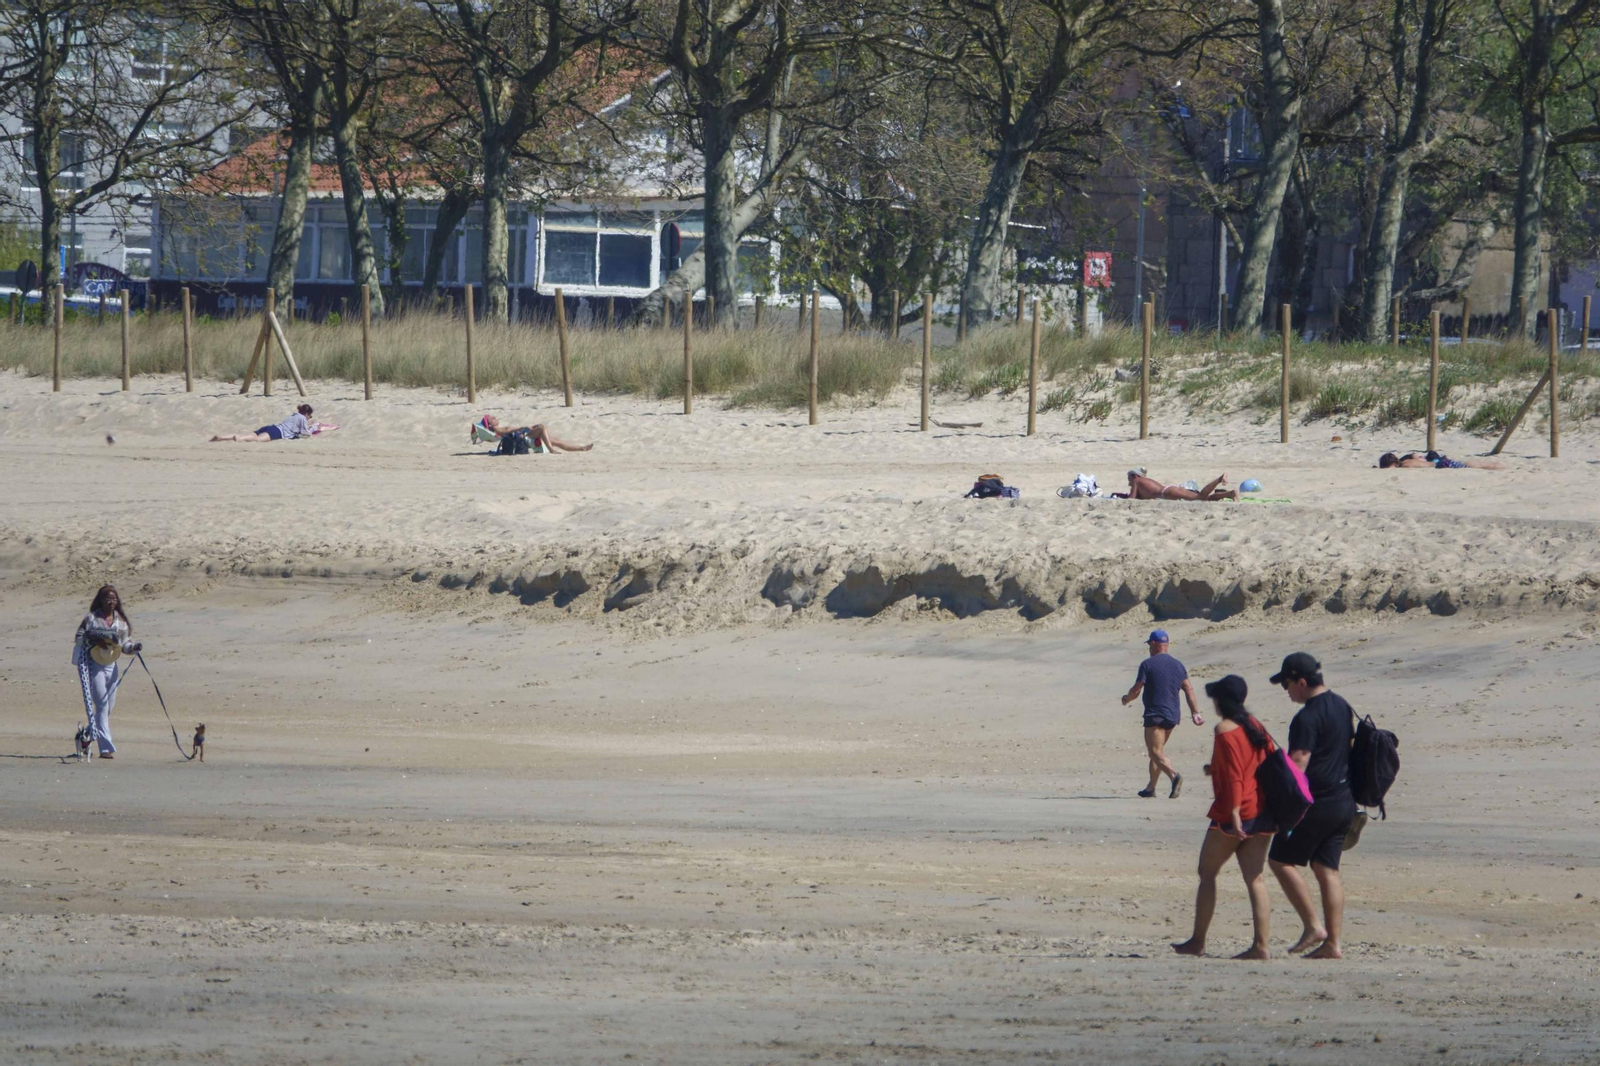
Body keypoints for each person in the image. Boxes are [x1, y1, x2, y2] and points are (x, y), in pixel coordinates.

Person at [1172, 674, 1276, 960]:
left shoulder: (1225, 729)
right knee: (1255, 879)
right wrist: (1212, 769)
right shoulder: (1255, 725)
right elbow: (1258, 763)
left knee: (1207, 873)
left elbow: (1233, 776)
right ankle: (1262, 946)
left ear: (1221, 700)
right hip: (1262, 812)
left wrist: (1232, 813)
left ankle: (1198, 942)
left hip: (1236, 812)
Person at [1267, 652, 1356, 960]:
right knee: (1326, 868)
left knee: (1279, 861)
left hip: (1315, 804)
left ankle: (1312, 927)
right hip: (1345, 802)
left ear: (1301, 682)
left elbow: (1298, 763)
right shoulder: (1342, 706)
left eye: (1287, 684)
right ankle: (1333, 944)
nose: (1286, 691)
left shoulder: (1307, 717)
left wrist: (1280, 803)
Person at [1120, 629, 1204, 798]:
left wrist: (1126, 699)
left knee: (1154, 752)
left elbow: (1137, 689)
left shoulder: (1147, 664)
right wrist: (1195, 712)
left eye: (1149, 645)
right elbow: (1188, 689)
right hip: (1173, 715)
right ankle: (1151, 788)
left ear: (1153, 644)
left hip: (1155, 713)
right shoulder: (1178, 665)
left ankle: (1174, 776)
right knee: (1158, 751)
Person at [72, 585, 141, 760]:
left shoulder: (121, 622)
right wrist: (94, 637)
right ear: (100, 600)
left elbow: (125, 645)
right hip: (95, 667)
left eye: (114, 599)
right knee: (102, 706)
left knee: (108, 707)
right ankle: (105, 749)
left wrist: (134, 648)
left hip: (112, 666)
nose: (111, 602)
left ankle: (87, 734)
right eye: (108, 599)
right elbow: (79, 637)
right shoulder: (91, 618)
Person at [477, 414, 593, 453]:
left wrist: (527, 428)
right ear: (490, 425)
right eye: (492, 418)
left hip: (524, 436)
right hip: (524, 438)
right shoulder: (500, 430)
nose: (495, 417)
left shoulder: (499, 430)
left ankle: (581, 448)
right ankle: (551, 450)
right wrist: (526, 428)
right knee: (542, 428)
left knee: (556, 440)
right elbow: (512, 431)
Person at [210, 404, 316, 442]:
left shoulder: (294, 415)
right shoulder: (302, 418)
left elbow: (295, 427)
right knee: (256, 439)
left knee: (249, 434)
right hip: (278, 432)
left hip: (272, 427)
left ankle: (222, 437)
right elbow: (305, 434)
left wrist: (308, 425)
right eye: (309, 416)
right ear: (306, 414)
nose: (309, 418)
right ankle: (238, 438)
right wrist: (313, 428)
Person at [1113, 469, 1237, 501]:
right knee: (1204, 499)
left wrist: (1122, 497)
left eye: (1129, 479)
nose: (1129, 482)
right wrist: (1120, 494)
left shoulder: (1137, 481)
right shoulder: (1144, 482)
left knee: (1199, 498)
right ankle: (1230, 494)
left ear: (1135, 476)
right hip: (1170, 490)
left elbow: (1132, 498)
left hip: (1167, 493)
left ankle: (1219, 479)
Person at [1378, 451, 1503, 470]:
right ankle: (1500, 466)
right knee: (1475, 465)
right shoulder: (1406, 461)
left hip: (1441, 464)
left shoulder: (1406, 465)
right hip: (1440, 462)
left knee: (1476, 466)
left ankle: (1500, 467)